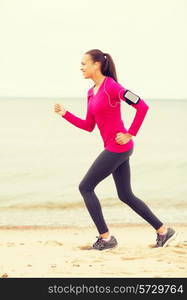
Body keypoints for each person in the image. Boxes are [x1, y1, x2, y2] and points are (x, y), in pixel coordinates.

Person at [54, 49, 176, 250]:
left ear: (96, 65)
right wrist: (65, 114)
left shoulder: (112, 86)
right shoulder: (91, 92)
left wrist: (130, 133)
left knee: (85, 187)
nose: (81, 68)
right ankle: (163, 231)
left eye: (84, 63)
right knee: (125, 195)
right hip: (116, 148)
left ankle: (106, 239)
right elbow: (88, 125)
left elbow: (142, 106)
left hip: (118, 147)